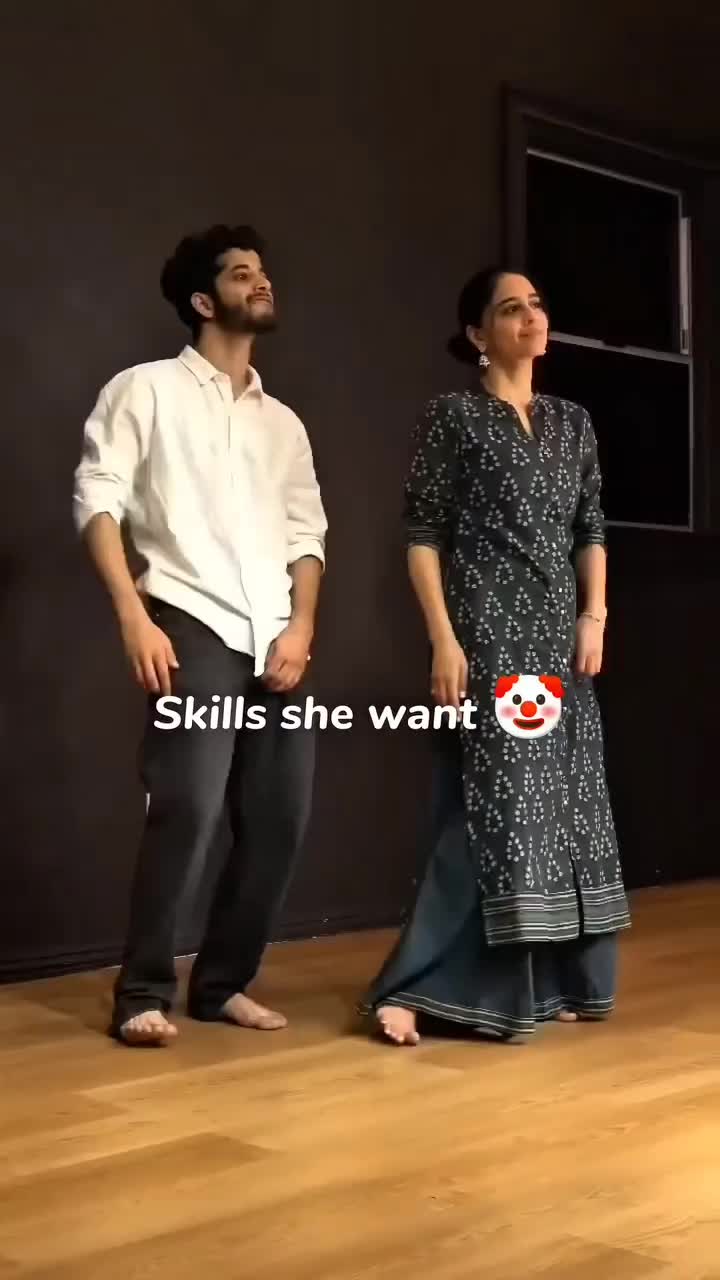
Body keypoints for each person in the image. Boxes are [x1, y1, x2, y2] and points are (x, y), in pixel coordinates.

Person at [359, 267, 630, 1045]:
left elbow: (591, 526)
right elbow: (423, 534)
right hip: (491, 633)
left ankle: (563, 979)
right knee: (500, 807)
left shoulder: (572, 422)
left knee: (566, 803)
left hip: (561, 639)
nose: (532, 317)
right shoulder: (453, 417)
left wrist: (595, 615)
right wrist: (444, 638)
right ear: (478, 334)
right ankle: (422, 987)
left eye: (537, 305)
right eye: (512, 309)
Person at [73, 224, 327, 1046]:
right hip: (191, 619)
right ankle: (142, 992)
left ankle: (222, 985)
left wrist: (302, 625)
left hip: (276, 632)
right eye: (242, 273)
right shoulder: (143, 390)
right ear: (202, 299)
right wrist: (132, 614)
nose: (261, 282)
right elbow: (98, 499)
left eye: (263, 270)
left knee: (280, 818)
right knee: (186, 807)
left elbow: (307, 535)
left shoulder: (283, 423)